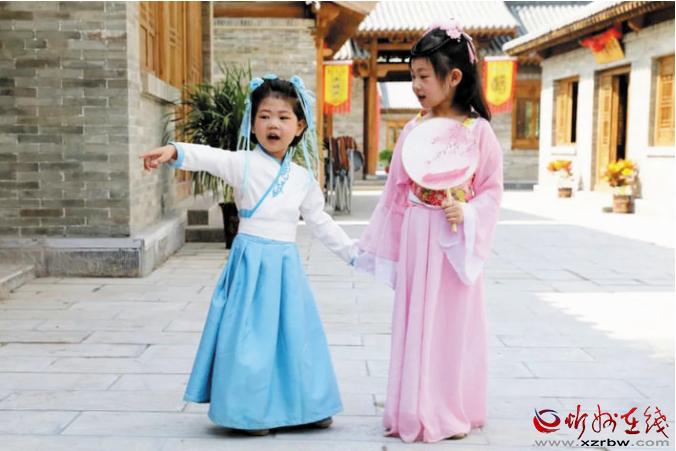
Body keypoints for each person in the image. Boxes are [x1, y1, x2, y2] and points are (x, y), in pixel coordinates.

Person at [140, 75, 358, 436]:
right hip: (251, 265)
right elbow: (211, 157)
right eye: (265, 116)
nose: (274, 124)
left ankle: (308, 406)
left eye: (284, 117)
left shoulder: (302, 178)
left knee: (295, 335)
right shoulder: (242, 163)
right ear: (252, 124)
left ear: (300, 126)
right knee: (249, 337)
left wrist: (353, 252)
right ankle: (249, 411)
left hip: (286, 267)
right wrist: (175, 151)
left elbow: (320, 221)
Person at [354, 19, 504, 443]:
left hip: (455, 238)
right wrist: (383, 248)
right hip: (419, 234)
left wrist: (468, 212)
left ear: (453, 77)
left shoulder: (478, 131)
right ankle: (415, 408)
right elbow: (395, 192)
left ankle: (451, 408)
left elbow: (492, 190)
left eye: (423, 76)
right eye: (413, 76)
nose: (416, 85)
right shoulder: (413, 129)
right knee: (416, 319)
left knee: (453, 325)